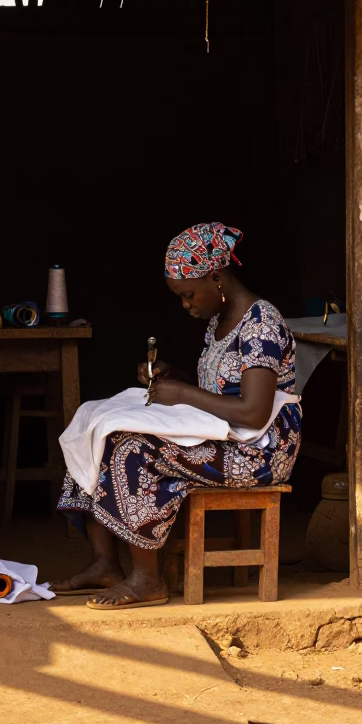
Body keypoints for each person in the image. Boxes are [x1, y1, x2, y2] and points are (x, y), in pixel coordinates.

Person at [52, 222, 301, 609]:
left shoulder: (261, 325)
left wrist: (182, 393)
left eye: (187, 294)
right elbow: (220, 392)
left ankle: (148, 580)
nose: (185, 305)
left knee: (134, 449)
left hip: (261, 452)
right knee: (99, 426)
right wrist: (174, 378)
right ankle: (105, 564)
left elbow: (252, 413)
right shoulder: (221, 320)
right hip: (228, 434)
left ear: (215, 277)